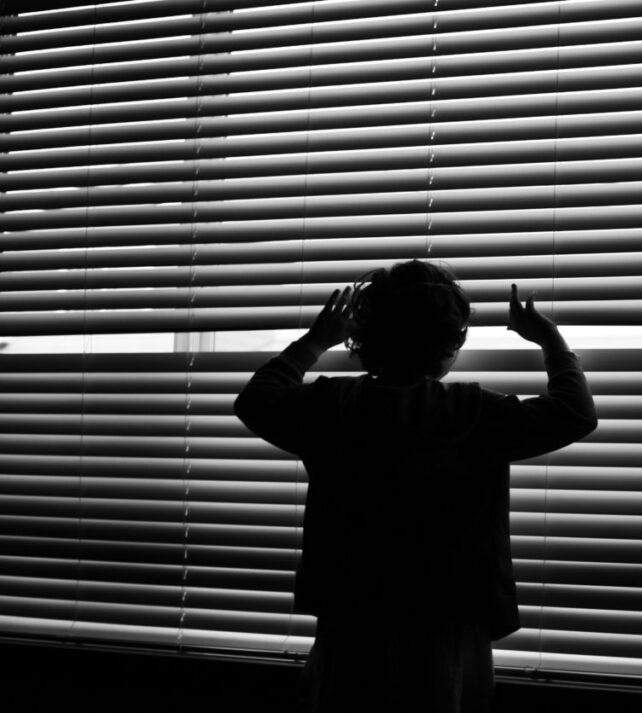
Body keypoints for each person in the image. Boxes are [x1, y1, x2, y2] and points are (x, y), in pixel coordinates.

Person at [234, 260, 597, 713]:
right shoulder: (474, 413)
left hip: (353, 613)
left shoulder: (333, 407)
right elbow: (576, 413)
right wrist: (548, 338)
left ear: (363, 339)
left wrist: (316, 339)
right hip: (447, 618)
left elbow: (256, 400)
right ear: (451, 342)